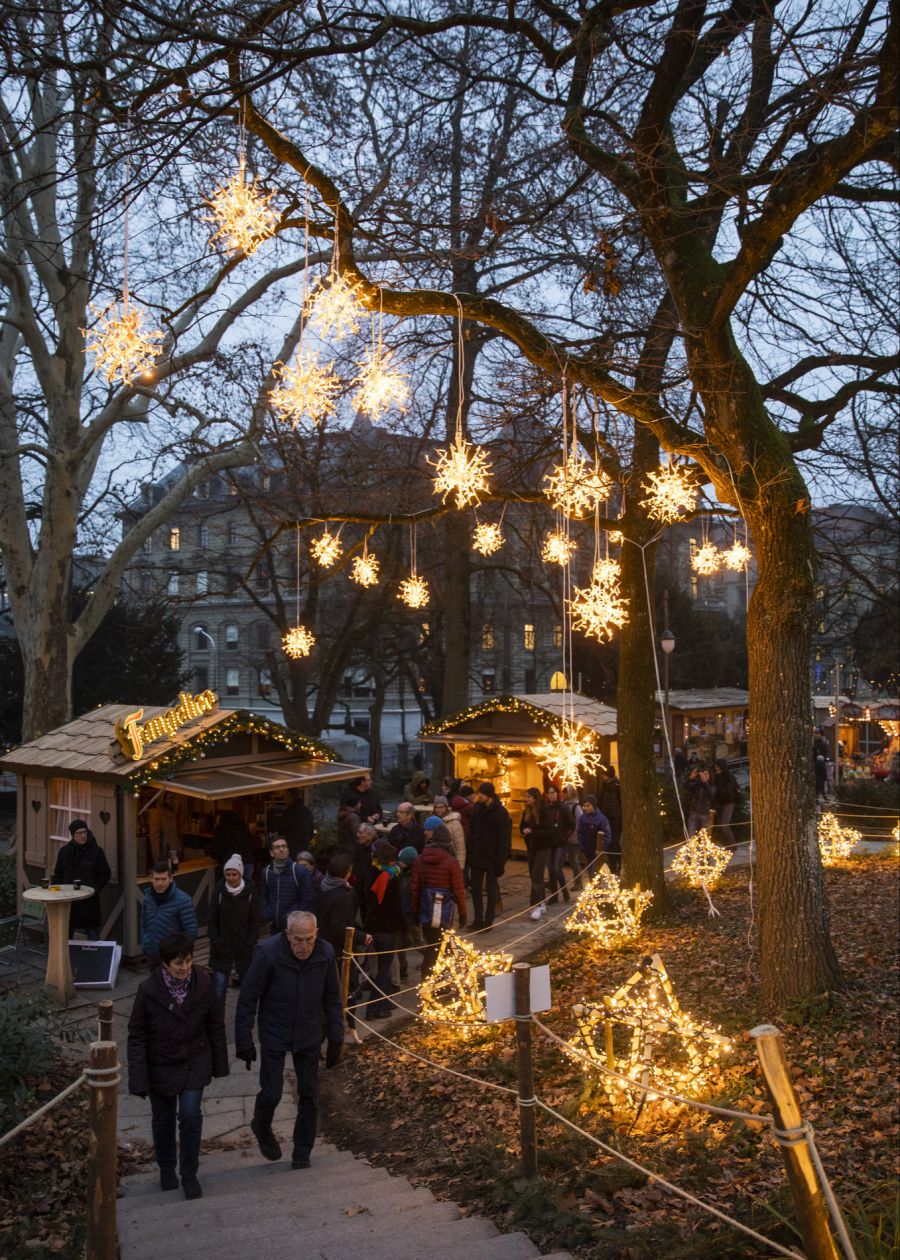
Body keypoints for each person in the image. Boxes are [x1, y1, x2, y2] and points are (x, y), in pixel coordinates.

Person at [235, 911, 343, 1170]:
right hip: (275, 1030)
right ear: (287, 935)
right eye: (298, 940)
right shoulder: (268, 953)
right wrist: (243, 1040)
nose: (304, 946)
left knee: (309, 1095)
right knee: (271, 1093)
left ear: (316, 935)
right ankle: (261, 1126)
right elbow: (248, 998)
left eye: (309, 939)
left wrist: (336, 1039)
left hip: (308, 1032)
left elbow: (333, 998)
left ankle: (302, 1152)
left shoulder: (325, 953)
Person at [127, 931, 228, 1199]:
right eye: (177, 963)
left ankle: (190, 1173)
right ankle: (166, 1167)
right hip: (161, 1064)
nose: (183, 968)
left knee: (191, 1115)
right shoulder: (149, 990)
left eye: (187, 961)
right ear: (165, 964)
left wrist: (219, 1063)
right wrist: (138, 1077)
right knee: (163, 1121)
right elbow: (136, 1035)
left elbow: (215, 1024)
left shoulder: (203, 982)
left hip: (194, 1059)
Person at [207, 855, 264, 1009]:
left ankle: (245, 1019)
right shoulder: (219, 892)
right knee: (219, 987)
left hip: (244, 948)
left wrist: (250, 941)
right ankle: (217, 1024)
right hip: (222, 948)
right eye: (228, 874)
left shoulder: (251, 892)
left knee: (247, 987)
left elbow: (256, 920)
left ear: (240, 874)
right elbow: (212, 920)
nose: (231, 878)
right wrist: (215, 941)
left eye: (234, 874)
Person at [412, 822, 466, 974]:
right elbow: (459, 890)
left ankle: (430, 977)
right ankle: (432, 980)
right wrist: (463, 913)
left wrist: (415, 913)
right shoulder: (452, 862)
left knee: (432, 944)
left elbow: (415, 888)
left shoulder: (420, 860)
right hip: (444, 910)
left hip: (426, 909)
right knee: (440, 946)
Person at [364, 843, 405, 1018]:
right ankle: (375, 1008)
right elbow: (395, 906)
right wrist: (403, 927)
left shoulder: (369, 872)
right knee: (384, 970)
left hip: (372, 927)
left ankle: (384, 1001)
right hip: (387, 929)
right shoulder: (391, 877)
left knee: (377, 969)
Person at [52, 818, 111, 941]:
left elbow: (105, 873)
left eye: (85, 832)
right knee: (65, 938)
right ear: (73, 835)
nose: (83, 835)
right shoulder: (65, 852)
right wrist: (58, 894)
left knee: (93, 936)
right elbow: (58, 874)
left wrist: (95, 888)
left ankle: (95, 959)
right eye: (79, 833)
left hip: (89, 901)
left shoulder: (96, 851)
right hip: (68, 901)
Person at [467, 782, 511, 931]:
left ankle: (488, 920)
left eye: (482, 793)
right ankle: (478, 918)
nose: (480, 796)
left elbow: (504, 838)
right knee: (476, 889)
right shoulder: (477, 808)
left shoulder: (500, 812)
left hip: (492, 857)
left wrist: (501, 861)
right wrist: (471, 848)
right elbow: (471, 830)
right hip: (477, 855)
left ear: (490, 795)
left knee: (491, 889)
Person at [141, 863, 198, 966]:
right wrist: (145, 943)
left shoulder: (183, 900)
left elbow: (190, 931)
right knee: (155, 981)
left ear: (171, 879)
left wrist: (180, 955)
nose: (160, 883)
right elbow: (144, 923)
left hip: (173, 957)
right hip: (152, 954)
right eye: (156, 879)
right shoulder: (148, 897)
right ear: (151, 879)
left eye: (163, 879)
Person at [262, 835, 314, 931]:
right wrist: (268, 914)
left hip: (294, 928)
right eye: (277, 847)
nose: (281, 849)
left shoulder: (299, 871)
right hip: (274, 926)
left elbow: (307, 899)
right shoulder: (266, 872)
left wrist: (296, 919)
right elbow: (264, 897)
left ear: (288, 850)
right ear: (271, 853)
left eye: (284, 846)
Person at [210, 807, 256, 881]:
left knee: (232, 889)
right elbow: (251, 843)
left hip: (231, 864)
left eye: (218, 817)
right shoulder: (243, 826)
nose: (217, 819)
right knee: (246, 888)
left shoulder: (220, 828)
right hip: (248, 861)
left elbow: (215, 849)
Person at [598, 767, 623, 875]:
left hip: (615, 817)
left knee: (614, 842)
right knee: (608, 842)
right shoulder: (605, 785)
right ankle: (612, 866)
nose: (602, 777)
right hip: (606, 816)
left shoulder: (617, 785)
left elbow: (620, 801)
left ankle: (617, 864)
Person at [576, 797, 612, 873]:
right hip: (587, 850)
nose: (586, 808)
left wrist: (601, 848)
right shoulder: (582, 818)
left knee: (595, 872)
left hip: (596, 852)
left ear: (593, 806)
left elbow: (607, 835)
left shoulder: (601, 819)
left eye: (588, 806)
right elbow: (579, 833)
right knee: (590, 872)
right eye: (584, 806)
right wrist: (582, 846)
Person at [560, 785, 584, 892]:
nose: (563, 794)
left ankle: (579, 883)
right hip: (565, 837)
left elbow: (580, 822)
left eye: (565, 792)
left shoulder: (576, 807)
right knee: (560, 860)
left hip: (574, 838)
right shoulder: (563, 805)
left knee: (573, 860)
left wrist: (575, 834)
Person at [351, 822, 377, 916]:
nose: (357, 835)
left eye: (360, 833)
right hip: (359, 888)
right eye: (358, 832)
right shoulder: (358, 847)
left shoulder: (376, 850)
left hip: (370, 891)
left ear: (369, 836)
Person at [278, 788, 315, 853]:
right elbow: (311, 834)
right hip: (304, 849)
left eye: (285, 796)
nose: (284, 799)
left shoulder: (291, 812)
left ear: (290, 797)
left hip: (292, 850)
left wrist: (270, 811)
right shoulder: (307, 811)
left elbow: (277, 826)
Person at [147, 794, 180, 866]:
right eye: (171, 798)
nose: (174, 801)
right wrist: (157, 859)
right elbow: (154, 837)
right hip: (163, 853)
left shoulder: (172, 813)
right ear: (164, 800)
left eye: (174, 798)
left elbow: (174, 834)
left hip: (174, 852)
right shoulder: (156, 813)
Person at [712, 758, 739, 846]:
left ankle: (732, 845)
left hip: (728, 803)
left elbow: (728, 791)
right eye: (715, 766)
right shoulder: (716, 776)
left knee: (724, 825)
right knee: (720, 826)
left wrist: (716, 790)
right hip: (719, 803)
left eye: (717, 766)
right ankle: (726, 844)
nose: (715, 768)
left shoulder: (729, 777)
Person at [685, 767, 715, 837]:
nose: (704, 775)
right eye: (703, 774)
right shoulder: (697, 784)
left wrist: (705, 782)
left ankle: (704, 848)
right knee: (691, 836)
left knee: (705, 837)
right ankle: (692, 847)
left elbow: (711, 793)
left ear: (710, 776)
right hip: (693, 812)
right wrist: (691, 778)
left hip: (705, 814)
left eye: (706, 774)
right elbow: (686, 787)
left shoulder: (712, 786)